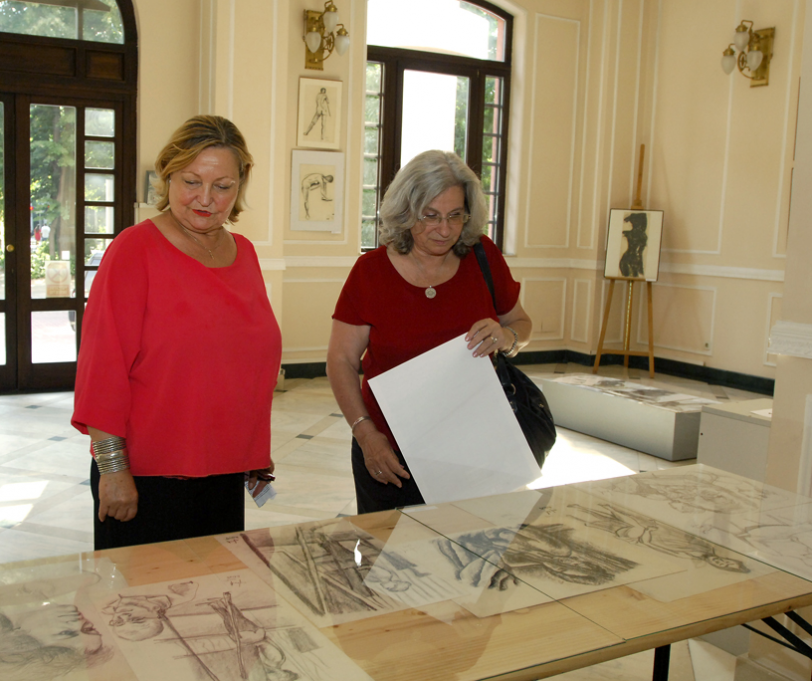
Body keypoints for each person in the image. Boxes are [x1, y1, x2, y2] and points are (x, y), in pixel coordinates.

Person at [72, 115, 281, 549]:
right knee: (144, 591)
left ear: (240, 186)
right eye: (191, 181)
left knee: (219, 588)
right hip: (146, 478)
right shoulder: (134, 250)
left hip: (223, 473)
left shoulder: (244, 253)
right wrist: (112, 469)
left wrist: (251, 452)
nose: (205, 198)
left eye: (222, 186)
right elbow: (102, 369)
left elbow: (242, 361)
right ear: (167, 175)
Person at [327, 149, 533, 514]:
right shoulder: (371, 272)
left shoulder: (482, 256)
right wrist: (365, 433)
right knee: (390, 547)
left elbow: (521, 323)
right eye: (431, 216)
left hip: (476, 447)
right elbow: (341, 360)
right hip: (390, 451)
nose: (445, 229)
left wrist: (507, 337)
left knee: (470, 543)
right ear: (406, 212)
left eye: (455, 215)